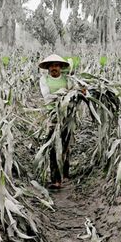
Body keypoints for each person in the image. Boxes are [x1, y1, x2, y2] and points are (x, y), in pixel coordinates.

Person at [38, 54, 82, 189]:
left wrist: (80, 92)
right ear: (48, 68)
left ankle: (66, 173)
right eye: (51, 65)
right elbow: (47, 98)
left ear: (61, 67)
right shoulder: (44, 79)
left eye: (56, 65)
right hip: (52, 116)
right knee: (52, 147)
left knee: (66, 144)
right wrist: (65, 94)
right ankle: (56, 179)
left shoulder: (68, 80)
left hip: (67, 116)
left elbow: (76, 93)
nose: (54, 68)